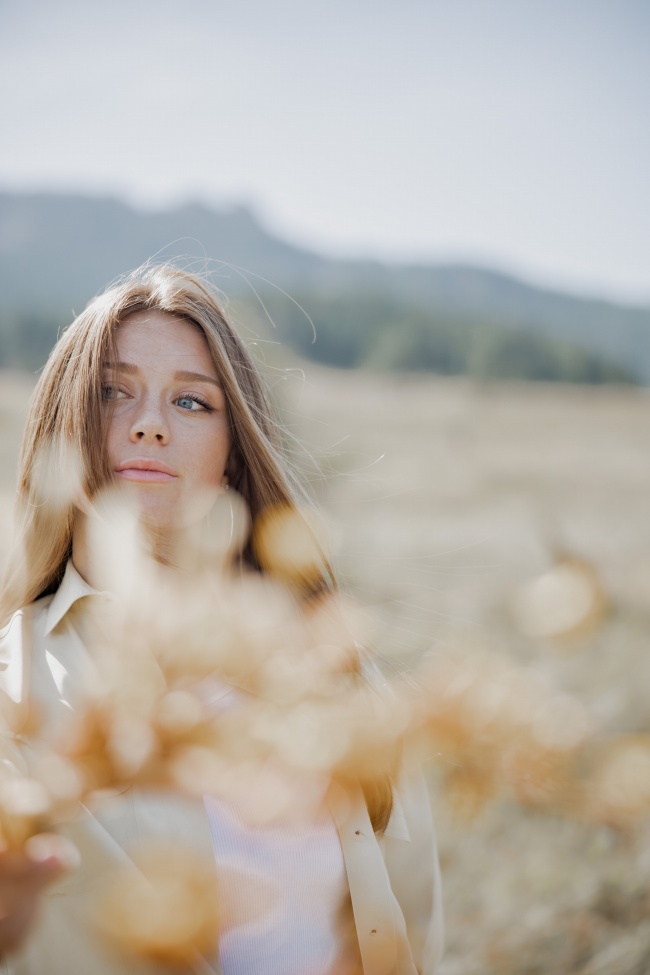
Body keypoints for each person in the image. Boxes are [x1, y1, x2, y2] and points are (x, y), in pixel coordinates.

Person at [0, 264, 443, 974]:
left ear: (234, 452)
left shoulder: (331, 671)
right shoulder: (11, 680)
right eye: (113, 392)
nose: (148, 424)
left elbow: (411, 922)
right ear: (64, 424)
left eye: (192, 402)